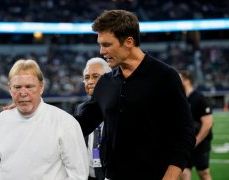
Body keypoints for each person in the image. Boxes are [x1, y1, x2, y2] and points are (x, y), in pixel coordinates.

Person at [73, 10, 196, 179]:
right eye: (100, 44)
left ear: (129, 42)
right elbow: (80, 124)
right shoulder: (105, 83)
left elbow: (184, 134)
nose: (102, 51)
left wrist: (170, 177)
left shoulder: (165, 77)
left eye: (107, 44)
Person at [0, 59, 88, 180]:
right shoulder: (0, 121)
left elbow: (79, 175)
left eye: (29, 86)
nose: (23, 92)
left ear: (41, 87)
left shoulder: (65, 123)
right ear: (9, 88)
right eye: (17, 87)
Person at [74, 57, 112, 180]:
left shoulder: (120, 107)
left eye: (95, 76)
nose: (90, 81)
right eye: (86, 77)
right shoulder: (80, 109)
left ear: (109, 78)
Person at [179, 70, 213, 180]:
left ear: (187, 81)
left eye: (179, 78)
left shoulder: (199, 98)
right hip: (185, 143)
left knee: (204, 173)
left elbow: (207, 124)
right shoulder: (181, 98)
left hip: (200, 143)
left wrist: (196, 141)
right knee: (183, 173)